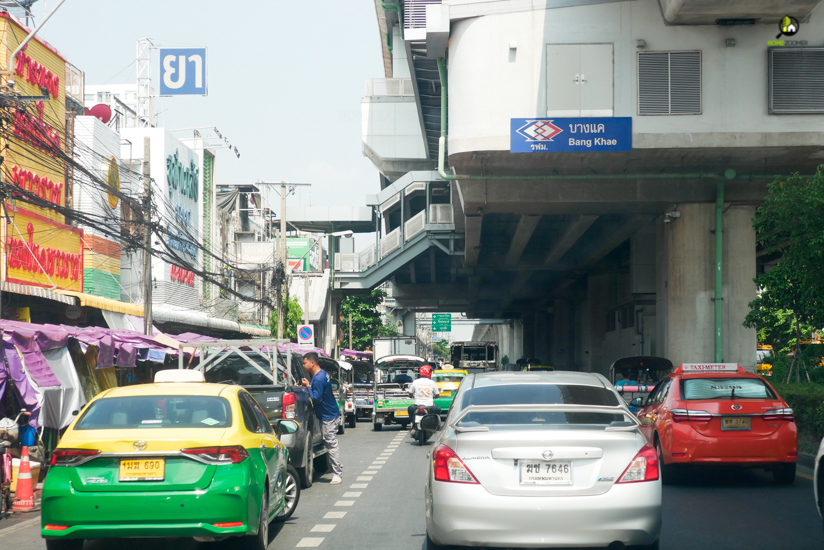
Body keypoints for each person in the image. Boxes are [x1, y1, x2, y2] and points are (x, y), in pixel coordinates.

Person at [301, 352, 342, 484]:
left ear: (312, 363)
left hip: (328, 415)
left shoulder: (318, 379)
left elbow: (316, 399)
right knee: (328, 442)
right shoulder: (321, 374)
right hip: (328, 413)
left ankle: (337, 473)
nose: (303, 365)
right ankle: (335, 466)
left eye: (305, 362)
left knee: (331, 443)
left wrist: (307, 387)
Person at [406, 365, 441, 434]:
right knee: (438, 409)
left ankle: (413, 424)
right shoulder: (432, 382)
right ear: (428, 373)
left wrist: (412, 396)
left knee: (410, 409)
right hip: (430, 406)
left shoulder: (415, 382)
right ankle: (435, 425)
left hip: (417, 405)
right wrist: (433, 396)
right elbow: (437, 395)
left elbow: (410, 394)